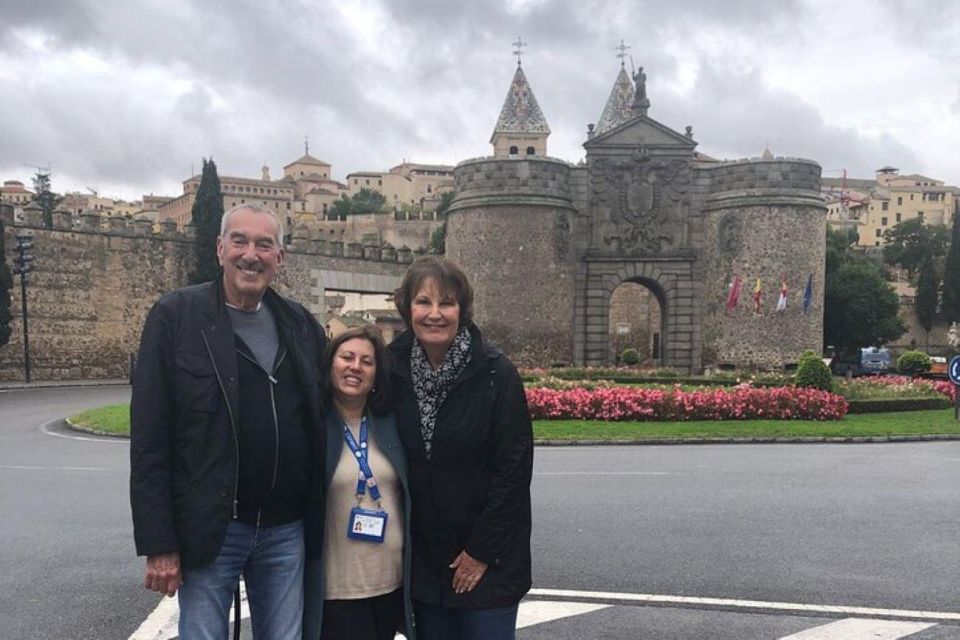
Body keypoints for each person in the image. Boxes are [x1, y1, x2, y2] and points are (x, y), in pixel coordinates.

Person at [130, 203, 327, 639]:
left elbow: (330, 409)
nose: (250, 254)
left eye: (264, 244)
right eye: (239, 241)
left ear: (281, 257)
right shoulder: (175, 317)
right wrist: (160, 544)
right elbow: (149, 439)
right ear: (220, 249)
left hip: (285, 528)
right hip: (212, 529)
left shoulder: (301, 324)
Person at [388, 256, 534, 640]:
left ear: (462, 310)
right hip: (425, 564)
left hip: (488, 561)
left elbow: (514, 472)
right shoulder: (391, 368)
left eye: (446, 303)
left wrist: (481, 552)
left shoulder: (495, 373)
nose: (434, 314)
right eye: (423, 302)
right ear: (407, 308)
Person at [302, 325, 415, 640]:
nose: (355, 367)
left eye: (367, 361)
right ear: (330, 365)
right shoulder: (313, 426)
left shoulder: (391, 424)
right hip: (337, 588)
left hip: (390, 583)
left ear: (377, 374)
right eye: (347, 357)